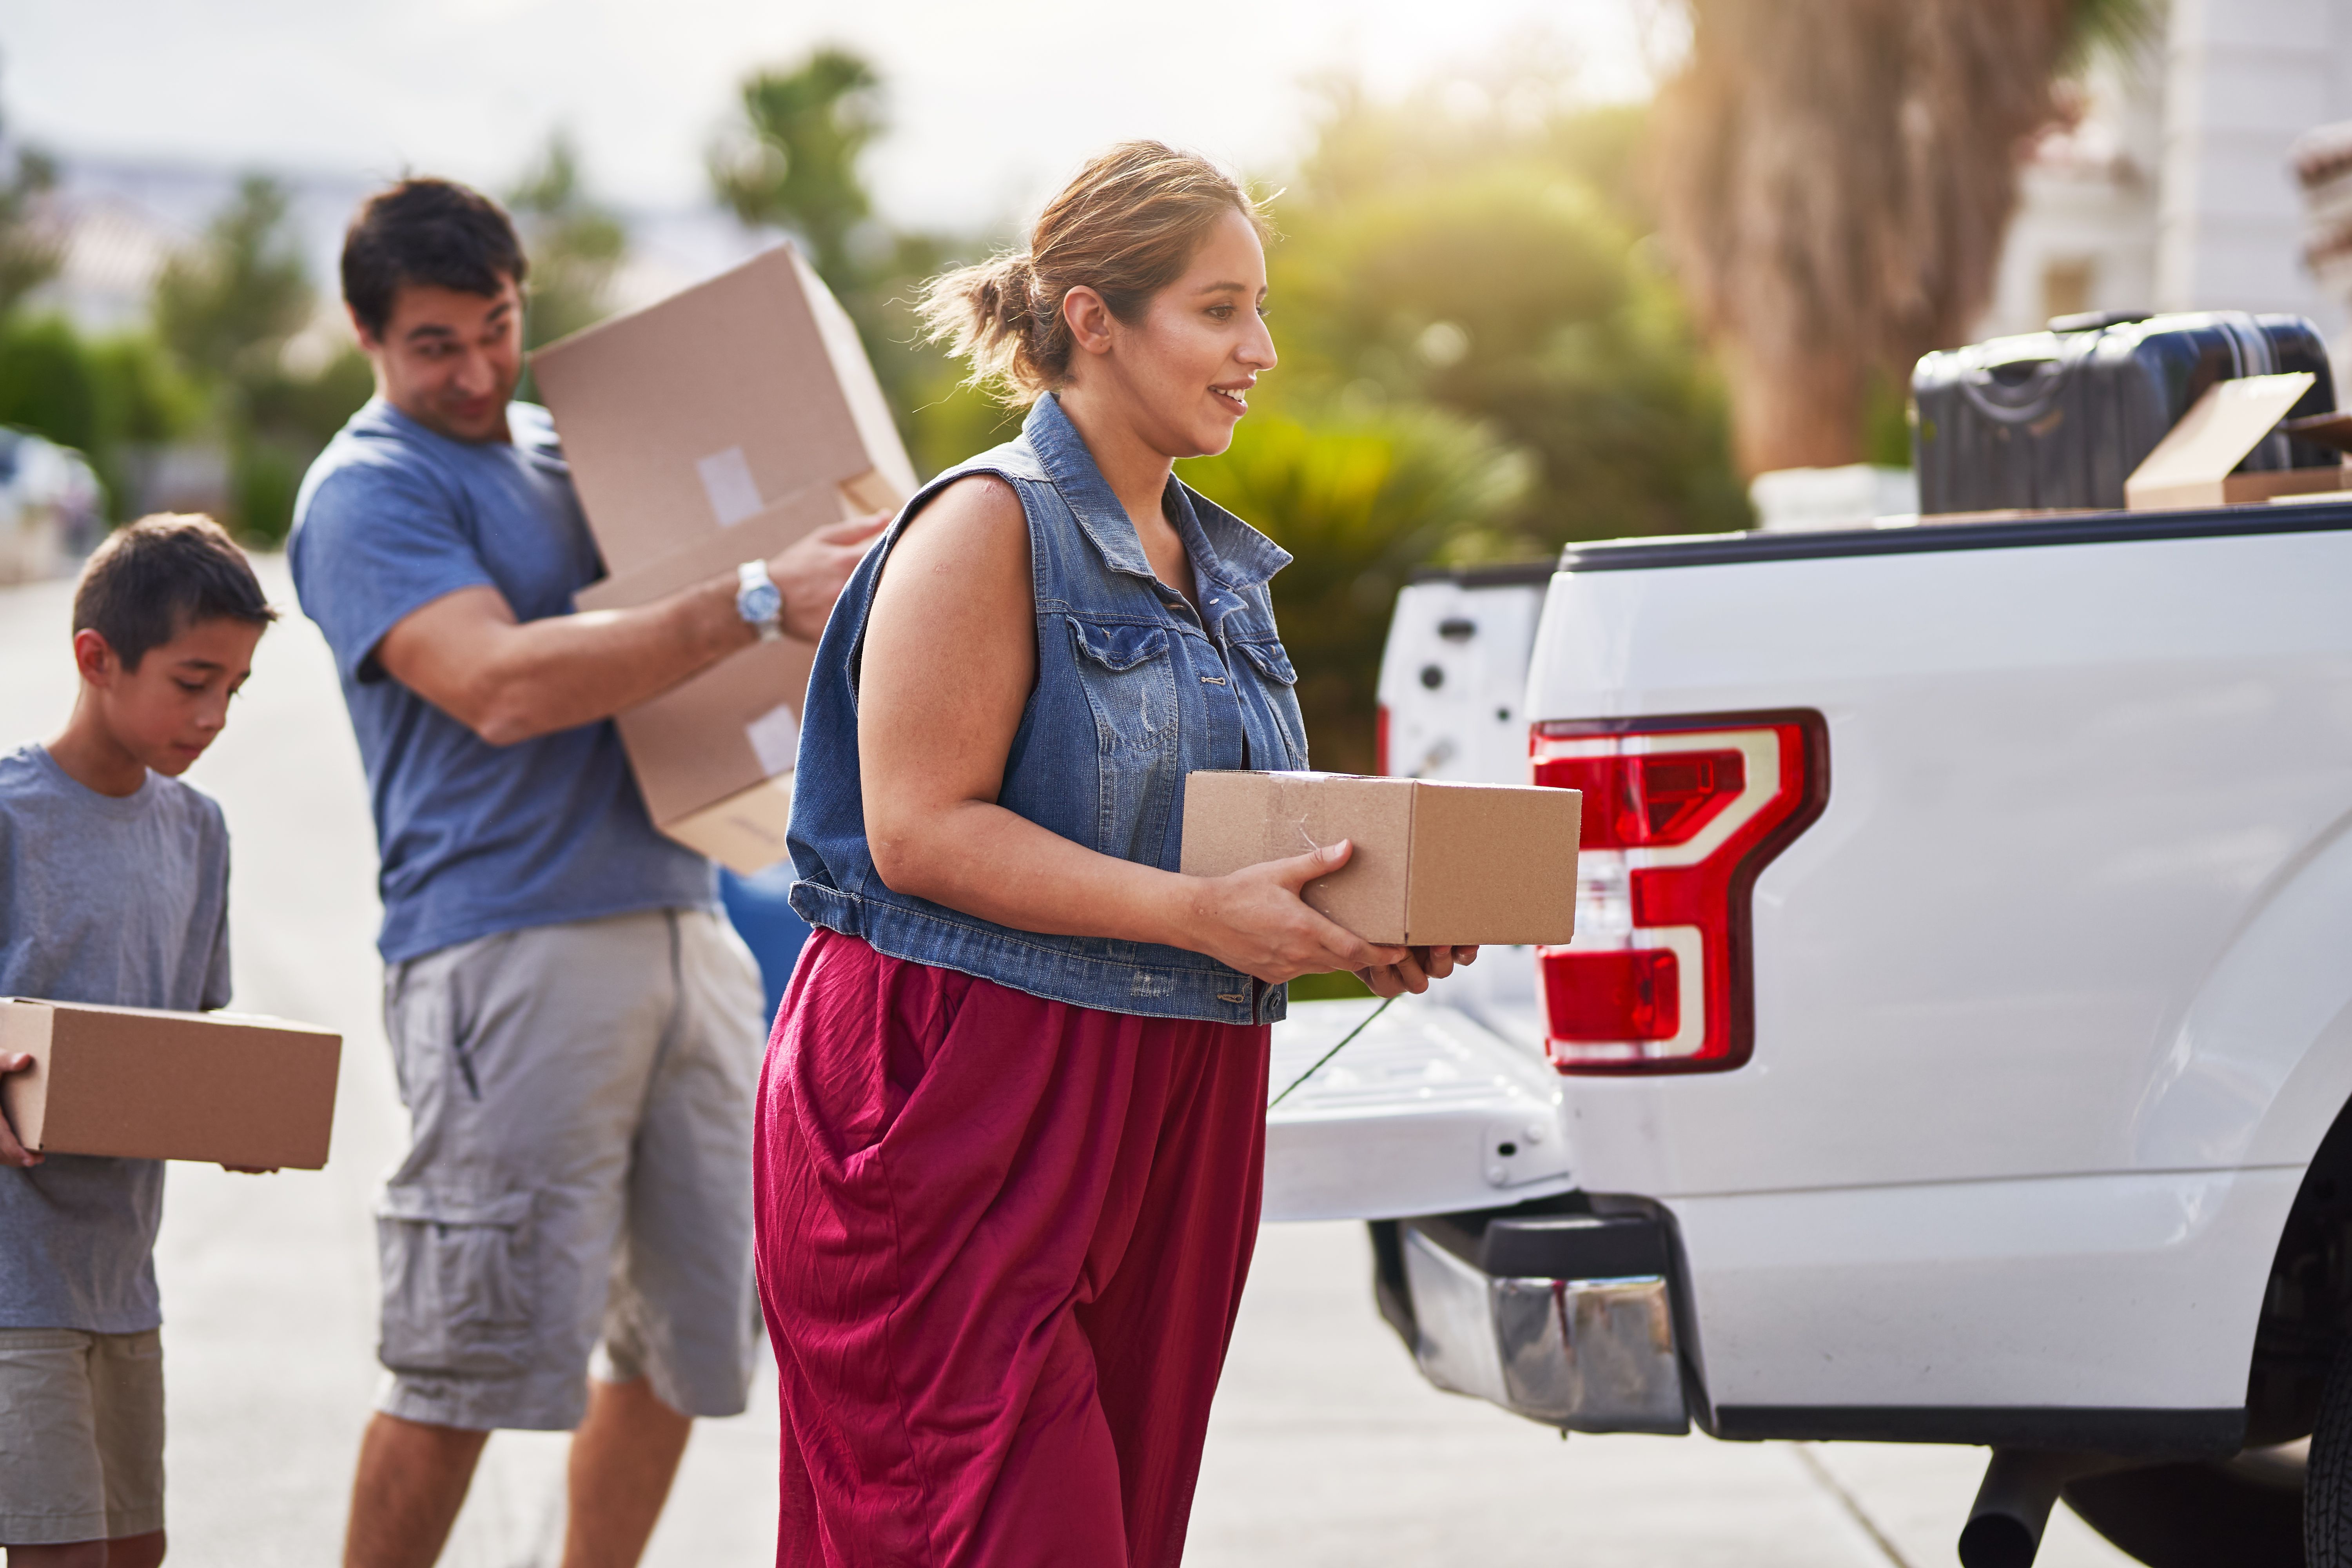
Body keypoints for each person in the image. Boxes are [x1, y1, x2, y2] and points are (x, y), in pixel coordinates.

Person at [757, 141, 1476, 1566]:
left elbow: (1201, 842)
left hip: (1173, 1097)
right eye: (1219, 310)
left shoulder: (1217, 564)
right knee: (1011, 1533)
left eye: (1259, 309)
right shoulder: (984, 525)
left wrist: (1361, 924)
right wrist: (1206, 915)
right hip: (964, 1093)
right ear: (1093, 317)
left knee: (1127, 1531)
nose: (1258, 349)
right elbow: (917, 832)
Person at [287, 177, 883, 1568]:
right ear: (367, 336)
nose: (478, 369)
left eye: (495, 327)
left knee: (685, 1340)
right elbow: (493, 685)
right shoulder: (369, 490)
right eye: (437, 343)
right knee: (466, 1356)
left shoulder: (578, 456)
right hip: (506, 952)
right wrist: (747, 598)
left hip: (688, 922)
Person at [0, 514, 278, 1568]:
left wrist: (243, 1111)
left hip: (123, 1275)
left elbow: (188, 1048)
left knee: (134, 1549)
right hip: (11, 1276)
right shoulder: (11, 816)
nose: (213, 716)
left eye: (236, 690)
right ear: (95, 658)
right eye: (192, 681)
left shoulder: (198, 831)